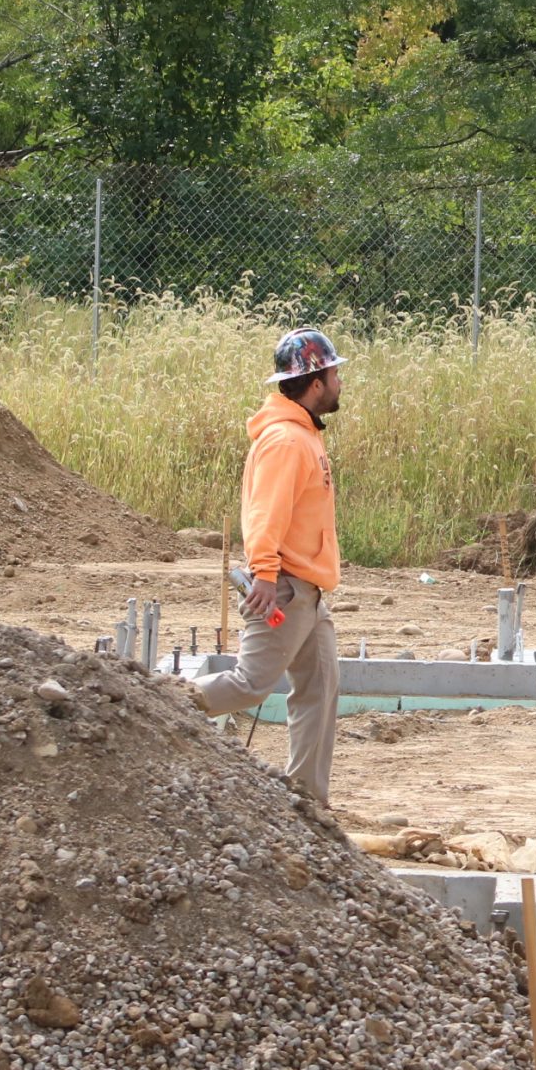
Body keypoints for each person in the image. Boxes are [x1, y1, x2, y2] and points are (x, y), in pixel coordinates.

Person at [192, 328, 346, 806]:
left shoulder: (302, 434)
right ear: (315, 382)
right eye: (335, 374)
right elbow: (266, 513)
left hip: (309, 592)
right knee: (250, 684)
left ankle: (307, 801)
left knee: (320, 689)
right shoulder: (285, 441)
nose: (340, 382)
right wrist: (263, 573)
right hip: (284, 587)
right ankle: (157, 699)